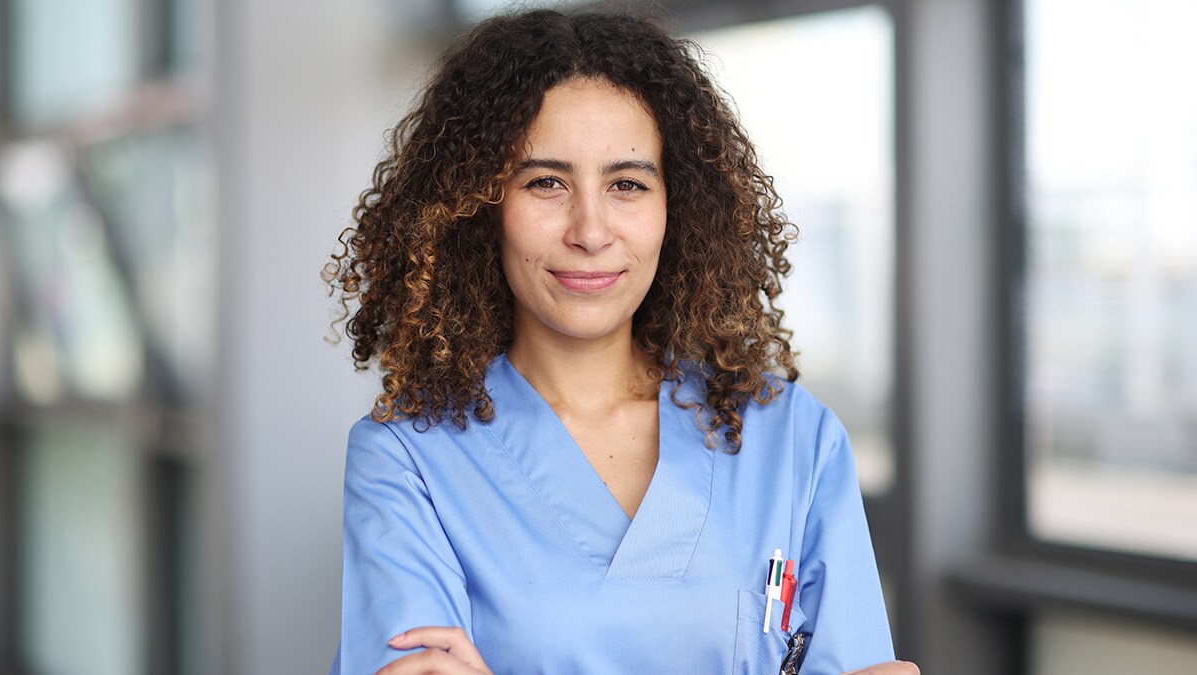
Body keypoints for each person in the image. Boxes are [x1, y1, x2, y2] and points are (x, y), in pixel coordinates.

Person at [325, 8, 918, 675]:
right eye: (545, 181)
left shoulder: (794, 440)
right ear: (479, 205)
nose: (590, 228)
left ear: (678, 207)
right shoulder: (407, 462)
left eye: (627, 184)